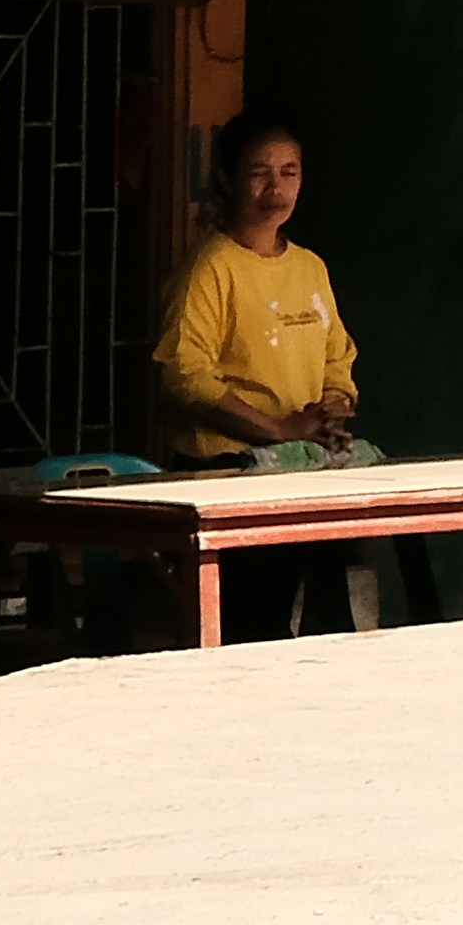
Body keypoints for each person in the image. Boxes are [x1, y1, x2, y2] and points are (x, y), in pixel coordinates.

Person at [152, 111, 367, 641]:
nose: (276, 189)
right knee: (251, 634)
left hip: (300, 476)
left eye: (289, 172)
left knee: (322, 626)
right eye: (259, 172)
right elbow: (184, 374)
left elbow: (338, 358)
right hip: (227, 477)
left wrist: (333, 409)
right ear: (227, 179)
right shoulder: (212, 268)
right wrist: (275, 429)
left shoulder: (309, 268)